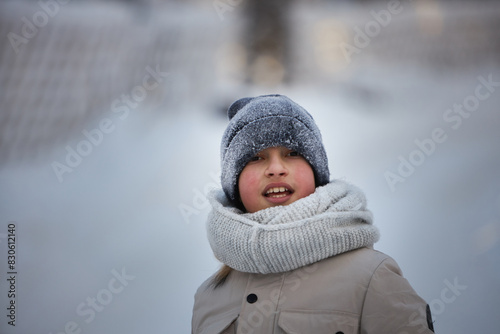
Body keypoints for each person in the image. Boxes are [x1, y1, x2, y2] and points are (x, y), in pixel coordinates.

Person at [191, 94, 434, 334]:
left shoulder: (370, 277)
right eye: (256, 157)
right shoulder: (209, 297)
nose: (276, 169)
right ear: (234, 184)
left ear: (317, 173)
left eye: (293, 153)